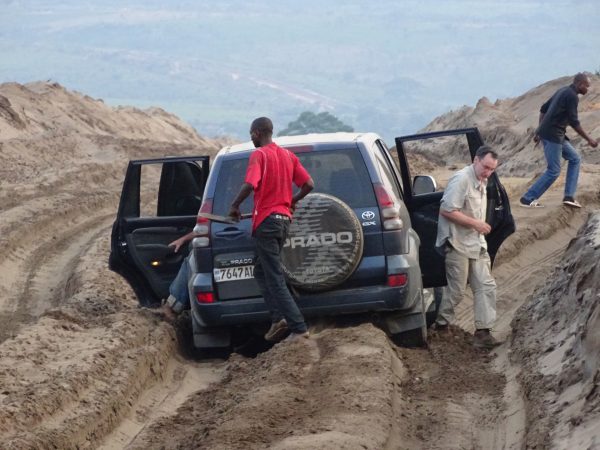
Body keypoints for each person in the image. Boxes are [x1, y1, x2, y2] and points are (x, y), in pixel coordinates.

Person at [228, 117, 314, 342]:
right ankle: (278, 319)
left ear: (257, 133)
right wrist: (290, 200)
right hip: (283, 221)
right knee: (260, 270)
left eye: (250, 133)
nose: (251, 138)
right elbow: (309, 184)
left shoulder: (259, 155)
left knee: (274, 276)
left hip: (266, 222)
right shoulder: (288, 156)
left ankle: (298, 327)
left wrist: (235, 206)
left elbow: (249, 184)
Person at [433, 145, 501, 349]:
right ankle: (440, 327)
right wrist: (476, 224)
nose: (488, 172)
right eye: (486, 167)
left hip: (476, 242)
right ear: (476, 160)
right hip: (457, 242)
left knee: (485, 286)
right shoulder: (462, 179)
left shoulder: (482, 179)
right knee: (457, 291)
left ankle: (483, 332)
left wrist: (478, 228)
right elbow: (446, 209)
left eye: (492, 169)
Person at [520, 72, 598, 209]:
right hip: (552, 135)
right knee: (554, 170)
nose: (588, 89)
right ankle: (528, 198)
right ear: (580, 84)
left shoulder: (562, 90)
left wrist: (539, 130)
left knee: (575, 159)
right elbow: (574, 122)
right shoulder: (572, 96)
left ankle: (569, 196)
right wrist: (589, 139)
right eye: (587, 86)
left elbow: (543, 108)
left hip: (556, 134)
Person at [160, 231, 198, 321]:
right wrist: (183, 239)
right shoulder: (233, 218)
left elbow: (204, 229)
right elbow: (204, 228)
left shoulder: (220, 217)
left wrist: (183, 239)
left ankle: (172, 307)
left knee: (192, 260)